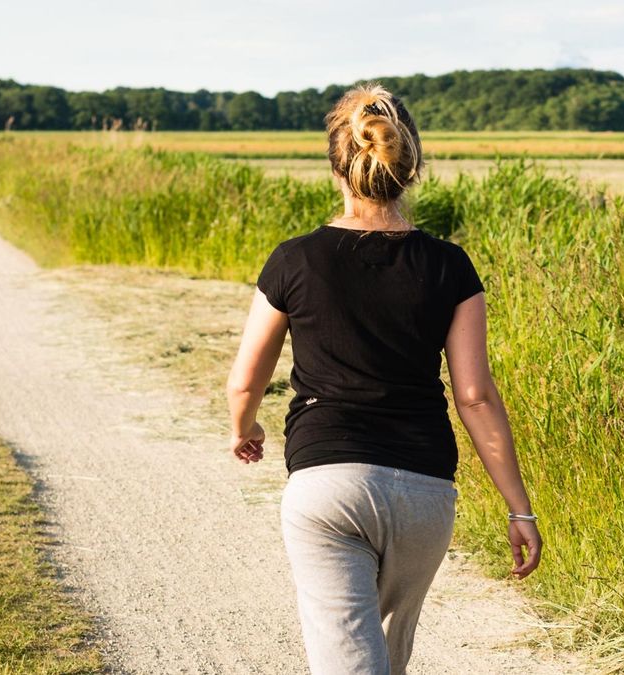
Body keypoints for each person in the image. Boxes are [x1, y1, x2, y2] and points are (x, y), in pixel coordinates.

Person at [225, 83, 541, 675]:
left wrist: (246, 429)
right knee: (385, 659)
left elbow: (245, 384)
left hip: (328, 486)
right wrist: (519, 509)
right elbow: (475, 396)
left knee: (349, 661)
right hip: (425, 495)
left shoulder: (294, 259)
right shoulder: (450, 265)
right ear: (410, 168)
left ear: (336, 167)